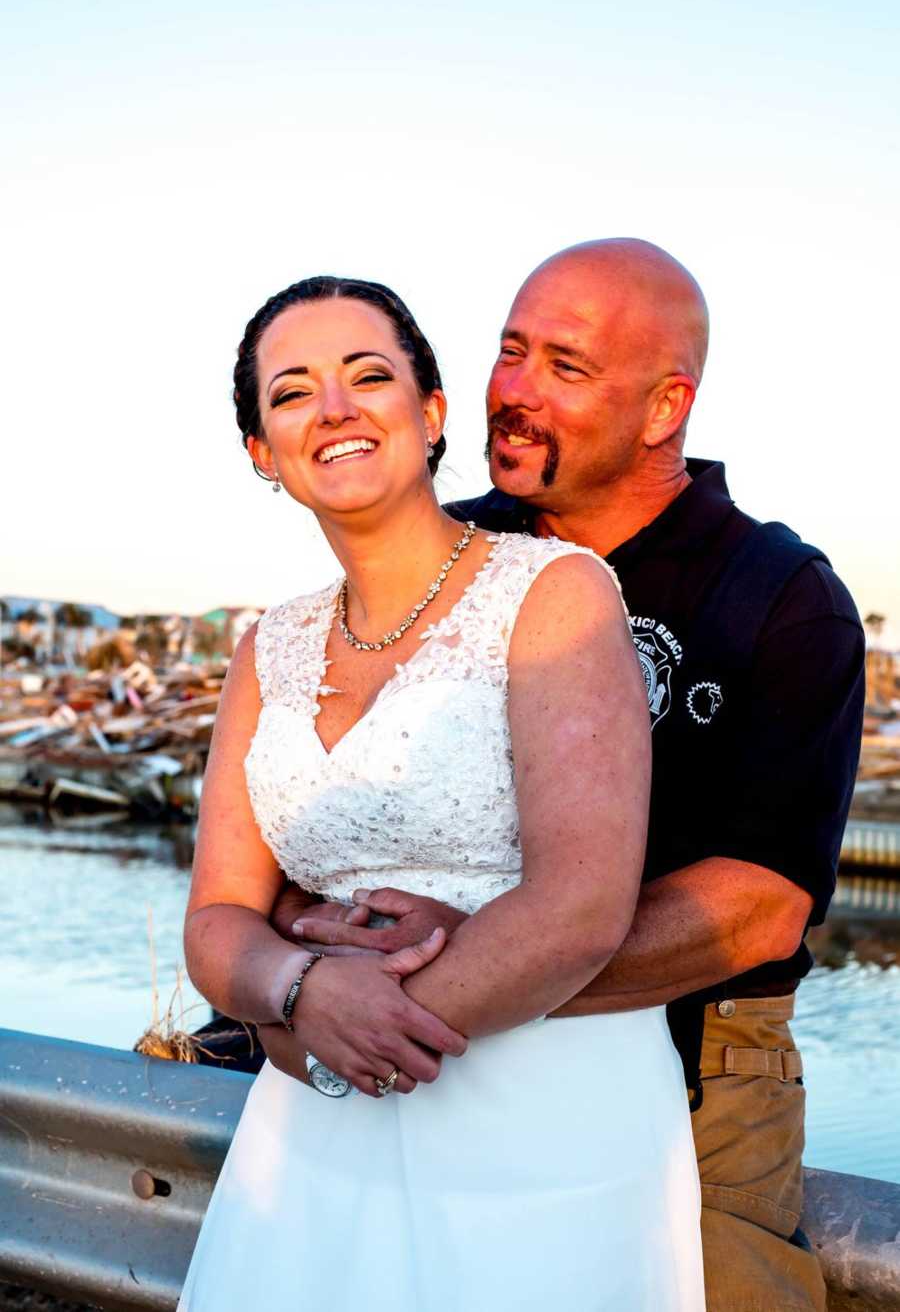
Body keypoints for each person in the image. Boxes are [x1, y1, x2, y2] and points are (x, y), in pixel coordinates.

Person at [272, 242, 865, 1312]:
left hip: (695, 1072)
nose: (516, 393)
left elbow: (760, 908)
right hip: (424, 1051)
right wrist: (305, 982)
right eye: (510, 351)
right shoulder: (448, 551)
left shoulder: (778, 595)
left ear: (663, 407)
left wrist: (443, 974)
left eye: (566, 368)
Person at [177, 274, 705, 1311]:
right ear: (262, 454)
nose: (333, 407)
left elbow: (584, 908)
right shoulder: (266, 647)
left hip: (539, 1116)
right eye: (292, 393)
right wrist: (300, 993)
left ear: (430, 416)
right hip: (312, 1137)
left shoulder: (553, 595)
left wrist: (347, 1035)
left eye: (368, 375)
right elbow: (215, 920)